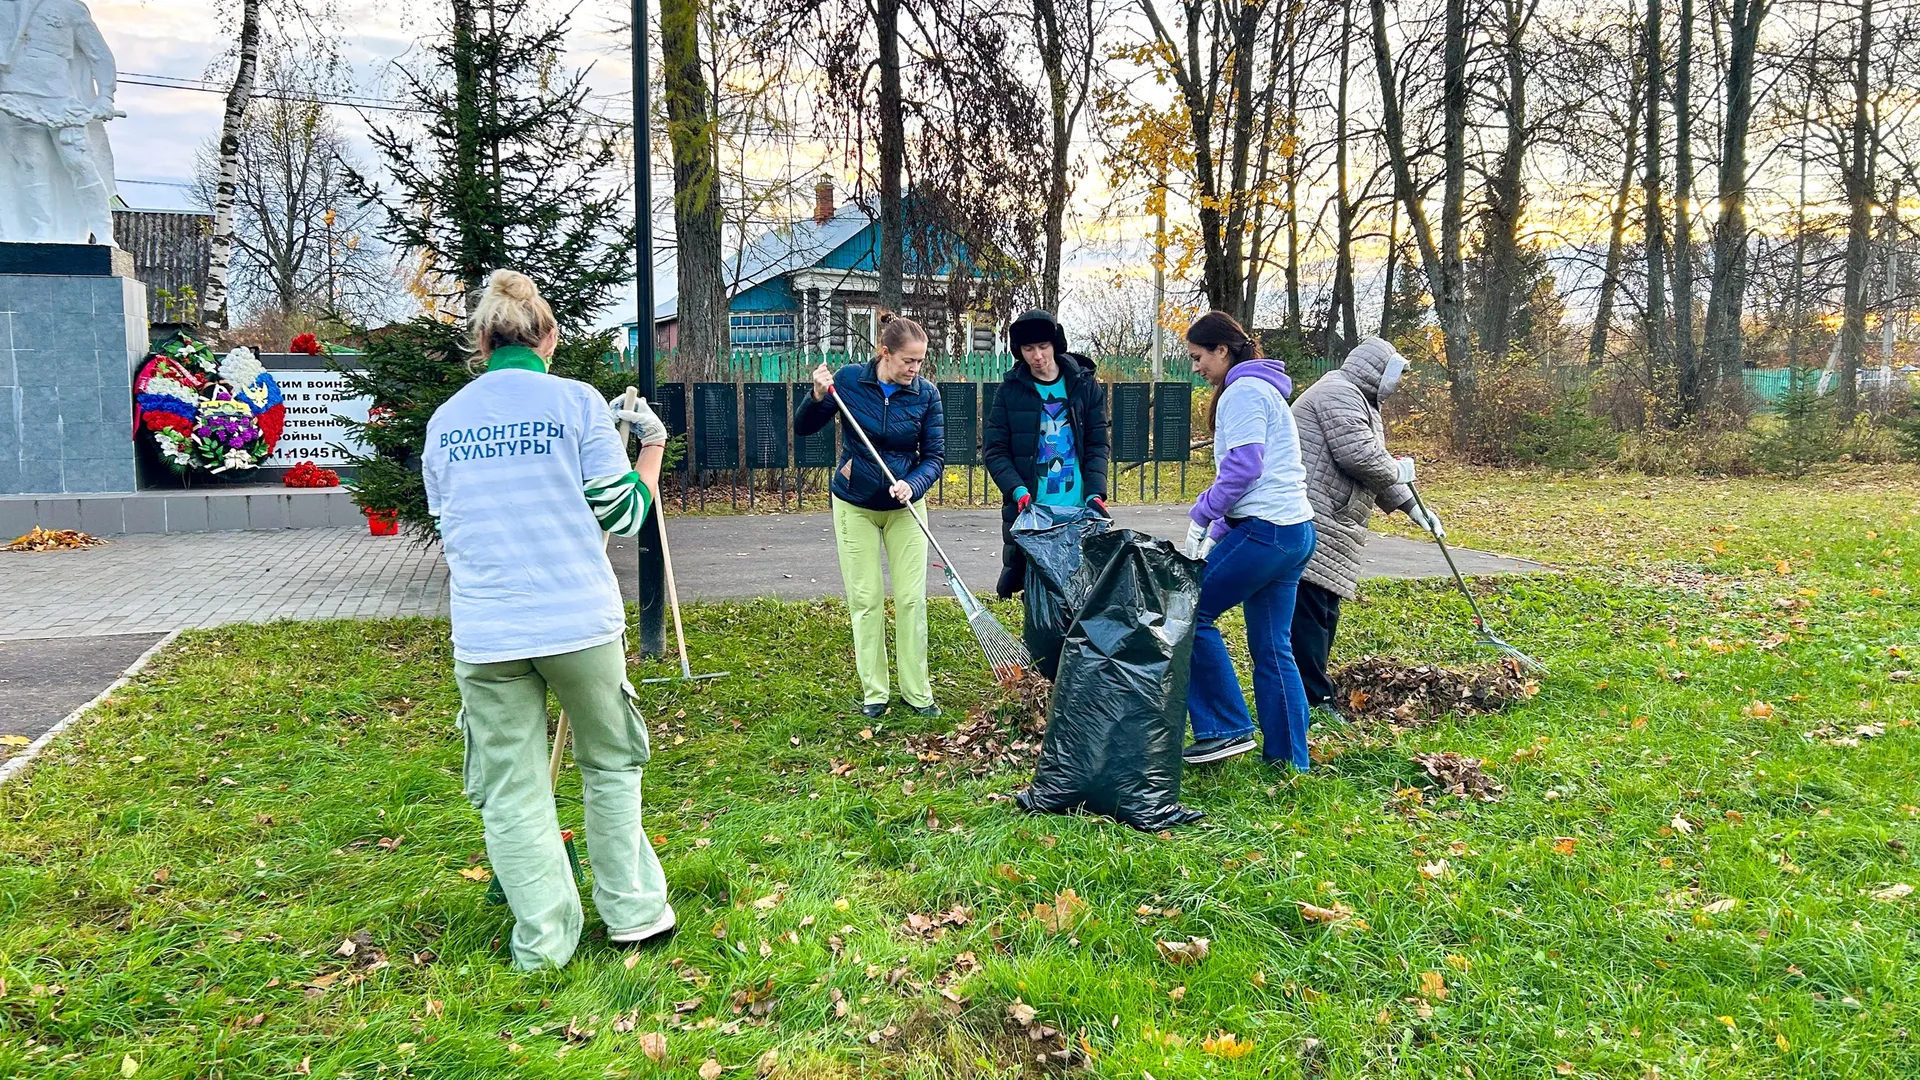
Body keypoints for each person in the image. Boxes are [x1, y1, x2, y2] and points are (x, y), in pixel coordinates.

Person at [422, 269, 674, 971]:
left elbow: (452, 529)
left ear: (481, 340)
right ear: (550, 337)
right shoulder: (576, 403)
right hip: (577, 623)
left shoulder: (447, 422)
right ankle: (633, 915)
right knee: (611, 763)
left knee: (510, 786)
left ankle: (543, 943)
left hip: (488, 631)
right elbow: (624, 513)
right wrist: (648, 446)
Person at [1178, 311, 1318, 771]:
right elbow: (1261, 477)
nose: (1196, 367)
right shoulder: (1263, 390)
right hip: (1295, 532)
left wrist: (1203, 511)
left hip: (1267, 533)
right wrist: (1217, 530)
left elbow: (1244, 468)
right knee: (1273, 648)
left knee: (1191, 613)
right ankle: (1290, 763)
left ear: (1222, 350)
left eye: (1199, 357)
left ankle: (1225, 729)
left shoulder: (1241, 392)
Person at [794, 312, 946, 720]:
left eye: (920, 361)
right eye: (908, 361)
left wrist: (913, 484)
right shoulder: (847, 382)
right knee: (866, 599)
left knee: (912, 600)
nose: (915, 370)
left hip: (905, 507)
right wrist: (818, 395)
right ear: (885, 353)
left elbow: (934, 458)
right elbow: (803, 428)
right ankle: (875, 692)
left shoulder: (927, 395)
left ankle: (917, 693)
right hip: (854, 503)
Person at [1289, 336, 1441, 724]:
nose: (1399, 384)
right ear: (1378, 370)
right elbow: (1358, 455)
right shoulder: (1338, 392)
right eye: (1397, 375)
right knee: (1309, 612)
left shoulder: (1360, 399)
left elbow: (1373, 461)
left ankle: (1315, 694)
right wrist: (1397, 470)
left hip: (1335, 519)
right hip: (1315, 514)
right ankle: (1313, 701)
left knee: (1324, 608)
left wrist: (1412, 507)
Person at [983, 310, 1111, 598]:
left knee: (1081, 590)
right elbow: (995, 451)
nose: (1037, 356)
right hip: (1033, 510)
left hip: (1077, 506)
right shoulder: (1009, 393)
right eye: (1028, 349)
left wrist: (1095, 493)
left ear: (1055, 345)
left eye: (1043, 347)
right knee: (1038, 594)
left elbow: (1097, 444)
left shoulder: (1084, 385)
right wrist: (1017, 491)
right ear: (1019, 351)